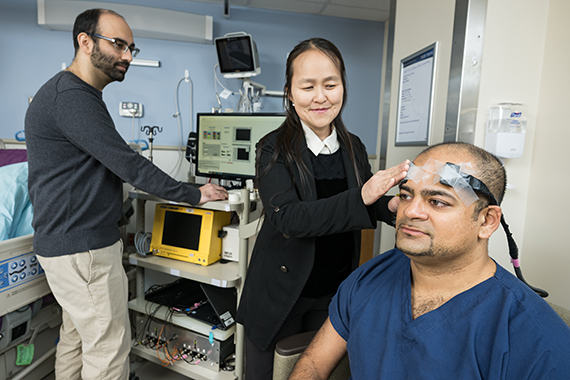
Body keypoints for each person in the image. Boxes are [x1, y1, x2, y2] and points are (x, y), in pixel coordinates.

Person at [24, 8, 227, 380]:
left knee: (77, 338)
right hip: (82, 250)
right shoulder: (71, 97)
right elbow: (128, 165)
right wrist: (195, 194)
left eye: (132, 47)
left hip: (66, 247)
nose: (128, 56)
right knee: (108, 348)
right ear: (85, 42)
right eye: (119, 45)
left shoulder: (67, 93)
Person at [289, 142, 570, 379]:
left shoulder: (534, 336)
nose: (411, 211)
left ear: (487, 221)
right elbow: (313, 364)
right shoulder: (372, 276)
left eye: (437, 201)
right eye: (406, 194)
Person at [235, 37, 409, 379]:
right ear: (289, 92)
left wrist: (398, 207)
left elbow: (369, 204)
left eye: (330, 85)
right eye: (307, 86)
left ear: (343, 87)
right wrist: (363, 196)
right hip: (281, 293)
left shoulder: (352, 145)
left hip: (334, 290)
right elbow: (289, 218)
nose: (320, 97)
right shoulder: (273, 148)